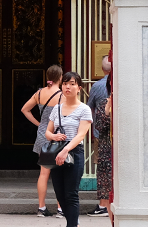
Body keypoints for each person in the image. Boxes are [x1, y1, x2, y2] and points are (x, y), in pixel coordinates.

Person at [45, 71, 93, 227]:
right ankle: (73, 221)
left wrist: (66, 150)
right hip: (56, 153)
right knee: (60, 194)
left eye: (72, 84)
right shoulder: (56, 109)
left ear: (79, 88)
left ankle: (71, 224)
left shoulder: (84, 109)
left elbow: (81, 135)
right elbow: (47, 132)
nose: (68, 87)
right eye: (65, 83)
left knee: (71, 194)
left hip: (74, 153)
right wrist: (54, 137)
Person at [21, 64, 64, 217]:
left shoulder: (39, 93)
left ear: (48, 77)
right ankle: (61, 208)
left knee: (44, 173)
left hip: (42, 134)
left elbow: (24, 109)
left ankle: (41, 208)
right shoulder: (62, 95)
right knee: (60, 173)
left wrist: (39, 124)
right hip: (58, 134)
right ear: (60, 78)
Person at [90, 81, 112, 217]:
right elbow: (99, 126)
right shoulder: (104, 104)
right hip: (106, 152)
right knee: (106, 188)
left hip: (121, 153)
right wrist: (108, 108)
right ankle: (104, 208)